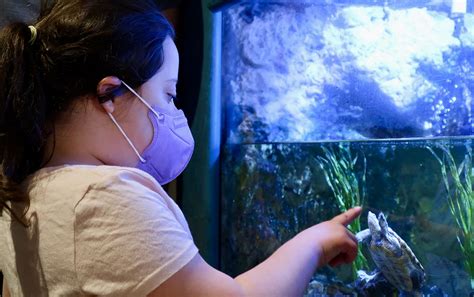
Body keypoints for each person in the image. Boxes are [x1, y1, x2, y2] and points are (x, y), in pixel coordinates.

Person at [0, 0, 362, 296]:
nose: (174, 113)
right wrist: (313, 244)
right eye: (168, 95)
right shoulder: (103, 198)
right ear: (109, 93)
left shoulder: (23, 193)